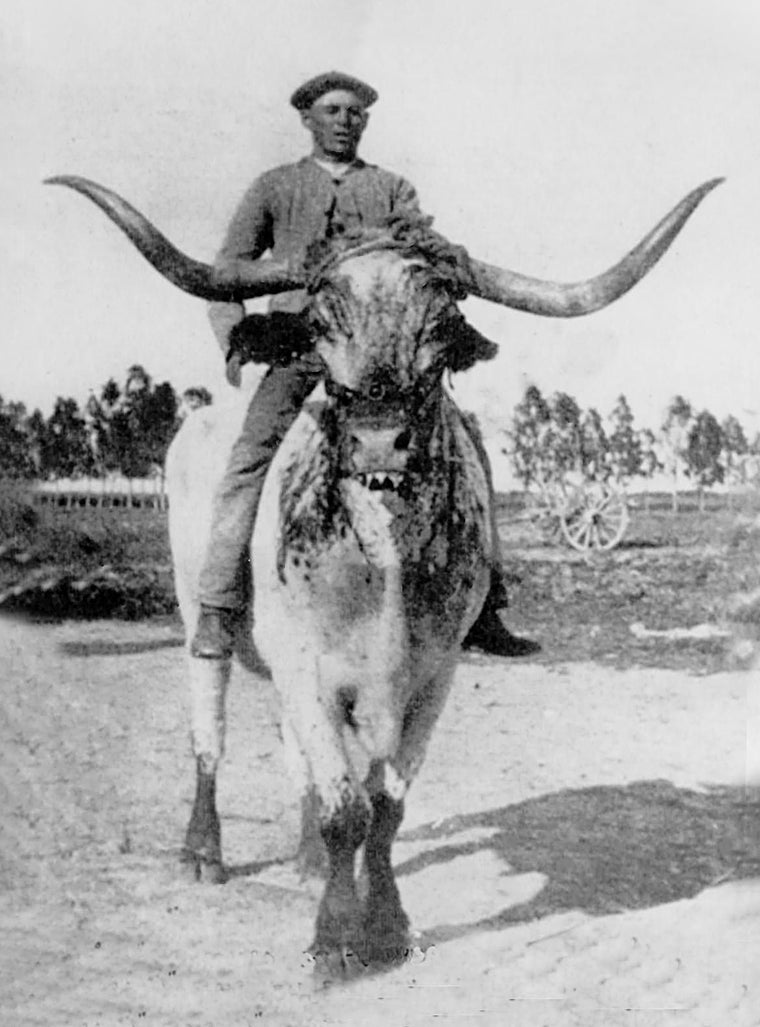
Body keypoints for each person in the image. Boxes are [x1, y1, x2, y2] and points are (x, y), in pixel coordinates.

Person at [191, 71, 534, 660]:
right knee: (250, 456)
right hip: (305, 347)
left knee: (468, 444)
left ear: (365, 121)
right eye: (332, 110)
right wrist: (234, 339)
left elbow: (421, 250)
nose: (345, 119)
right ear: (306, 118)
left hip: (389, 356)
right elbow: (227, 271)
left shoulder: (392, 189)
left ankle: (485, 606)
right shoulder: (275, 187)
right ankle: (219, 607)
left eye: (355, 111)